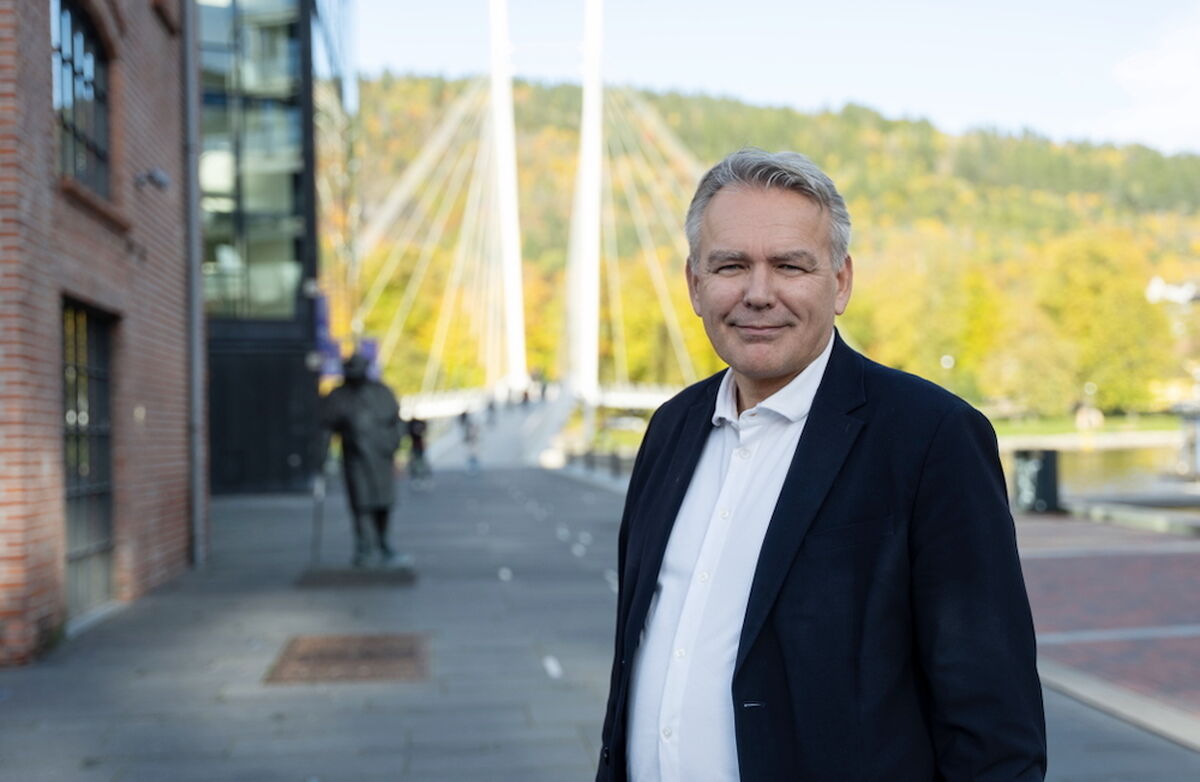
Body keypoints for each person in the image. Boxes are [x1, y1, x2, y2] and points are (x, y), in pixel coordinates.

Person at [596, 149, 1046, 782]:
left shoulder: (930, 439)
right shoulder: (670, 429)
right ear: (695, 285)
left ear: (840, 283)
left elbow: (994, 725)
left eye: (789, 266)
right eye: (730, 265)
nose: (758, 293)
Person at [317, 353, 405, 568]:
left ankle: (383, 544)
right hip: (356, 459)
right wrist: (321, 458)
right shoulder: (339, 396)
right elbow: (326, 428)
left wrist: (392, 445)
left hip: (381, 457)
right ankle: (363, 547)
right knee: (361, 504)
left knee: (384, 502)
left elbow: (397, 422)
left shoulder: (382, 392)